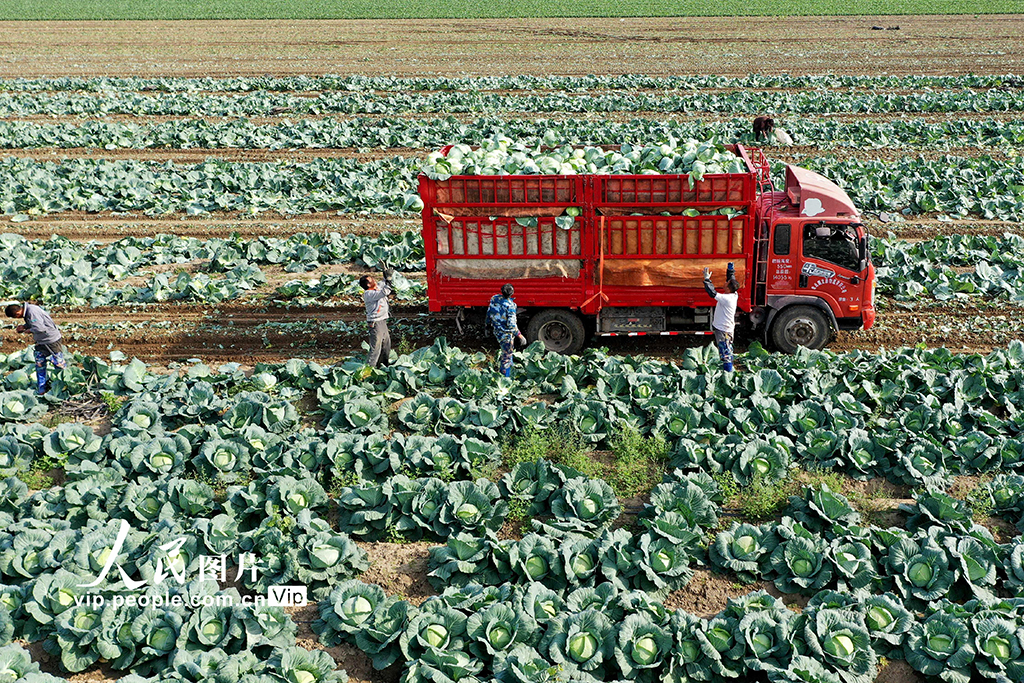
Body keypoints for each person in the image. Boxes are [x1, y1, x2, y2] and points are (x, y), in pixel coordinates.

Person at [6, 302, 66, 395]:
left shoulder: (32, 311)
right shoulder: (29, 310)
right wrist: (25, 326)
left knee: (58, 363)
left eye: (16, 317)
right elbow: (36, 322)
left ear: (17, 313)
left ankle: (64, 386)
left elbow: (40, 328)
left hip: (51, 340)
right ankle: (41, 389)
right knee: (40, 364)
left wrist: (27, 330)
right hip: (41, 341)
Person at [703, 266, 740, 372]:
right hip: (725, 328)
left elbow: (712, 293)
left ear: (728, 288)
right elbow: (731, 280)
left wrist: (707, 280)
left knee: (725, 351)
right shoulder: (734, 294)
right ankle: (728, 369)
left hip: (723, 330)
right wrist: (730, 269)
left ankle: (728, 374)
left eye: (726, 283)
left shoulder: (726, 299)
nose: (725, 283)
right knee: (727, 348)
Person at [486, 283, 527, 378]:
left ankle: (510, 372)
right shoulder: (511, 306)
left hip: (497, 331)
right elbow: (512, 325)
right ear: (512, 293)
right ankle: (505, 378)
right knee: (506, 357)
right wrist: (520, 336)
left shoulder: (494, 298)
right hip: (506, 334)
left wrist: (487, 326)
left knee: (507, 352)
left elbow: (489, 313)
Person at [359, 266, 394, 368]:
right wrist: (389, 279)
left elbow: (383, 284)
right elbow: (385, 291)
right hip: (375, 323)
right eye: (371, 280)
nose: (374, 280)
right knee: (375, 348)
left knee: (386, 345)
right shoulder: (368, 294)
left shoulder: (375, 288)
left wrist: (385, 273)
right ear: (368, 284)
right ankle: (369, 370)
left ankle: (382, 367)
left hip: (382, 321)